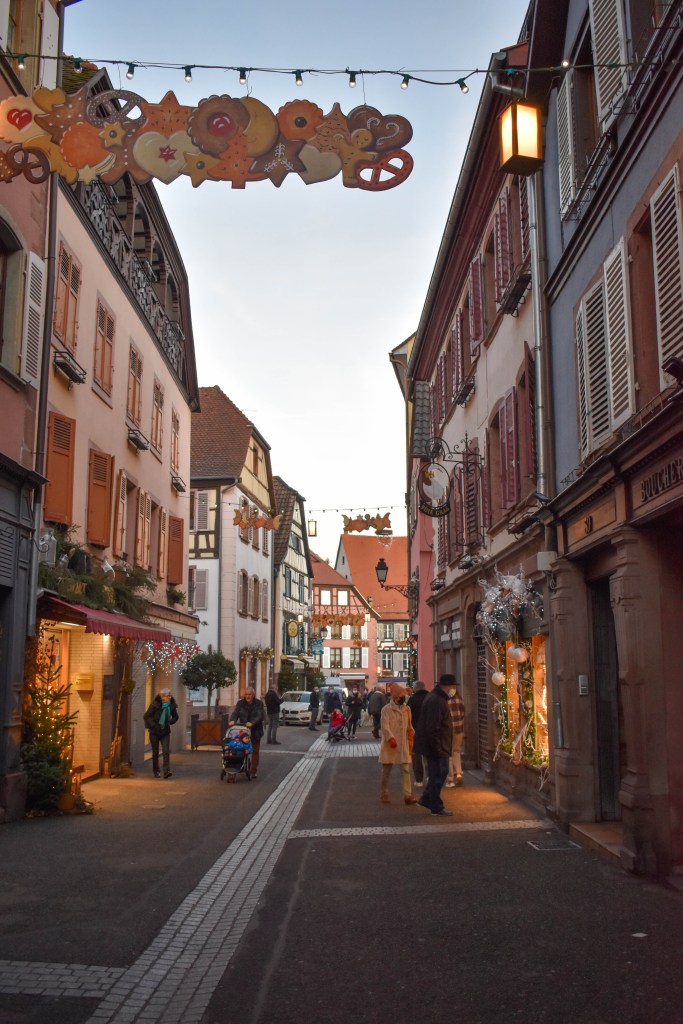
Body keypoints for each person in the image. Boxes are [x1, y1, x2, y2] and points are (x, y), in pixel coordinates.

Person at [414, 673, 456, 816]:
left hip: (435, 745)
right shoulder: (437, 700)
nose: (453, 690)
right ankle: (436, 806)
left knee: (438, 774)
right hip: (436, 746)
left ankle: (427, 799)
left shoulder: (435, 697)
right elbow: (433, 727)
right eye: (453, 687)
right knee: (438, 774)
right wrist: (438, 747)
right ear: (449, 687)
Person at [378, 684, 417, 805]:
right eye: (401, 695)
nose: (403, 697)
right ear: (395, 696)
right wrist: (390, 738)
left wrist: (411, 731)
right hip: (390, 744)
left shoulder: (407, 709)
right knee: (386, 771)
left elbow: (409, 724)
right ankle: (384, 792)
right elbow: (384, 726)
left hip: (403, 743)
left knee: (405, 769)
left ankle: (408, 795)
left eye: (404, 695)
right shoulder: (386, 709)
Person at [229, 687, 265, 778]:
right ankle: (237, 767)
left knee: (254, 751)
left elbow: (260, 715)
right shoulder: (240, 703)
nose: (247, 696)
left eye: (249, 694)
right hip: (243, 731)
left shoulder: (259, 703)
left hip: (255, 731)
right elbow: (235, 713)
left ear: (253, 695)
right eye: (246, 694)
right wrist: (232, 720)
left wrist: (252, 722)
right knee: (238, 749)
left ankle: (253, 770)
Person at [144, 686, 179, 779]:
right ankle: (156, 771)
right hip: (154, 732)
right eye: (165, 696)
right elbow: (147, 716)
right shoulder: (155, 704)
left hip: (165, 731)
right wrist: (153, 725)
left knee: (166, 751)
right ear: (161, 696)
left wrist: (171, 721)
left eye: (169, 696)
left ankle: (166, 771)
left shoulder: (171, 705)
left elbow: (176, 716)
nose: (167, 698)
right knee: (155, 752)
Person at [407, 680, 429, 786]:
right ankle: (430, 776)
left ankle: (419, 780)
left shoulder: (412, 700)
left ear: (415, 688)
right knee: (428, 754)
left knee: (416, 756)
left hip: (415, 731)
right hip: (429, 730)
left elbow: (408, 716)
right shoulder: (430, 698)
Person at [445, 684, 465, 787]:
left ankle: (450, 779)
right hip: (458, 729)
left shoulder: (445, 701)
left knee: (448, 754)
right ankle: (459, 774)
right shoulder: (459, 699)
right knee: (457, 751)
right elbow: (463, 714)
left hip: (448, 730)